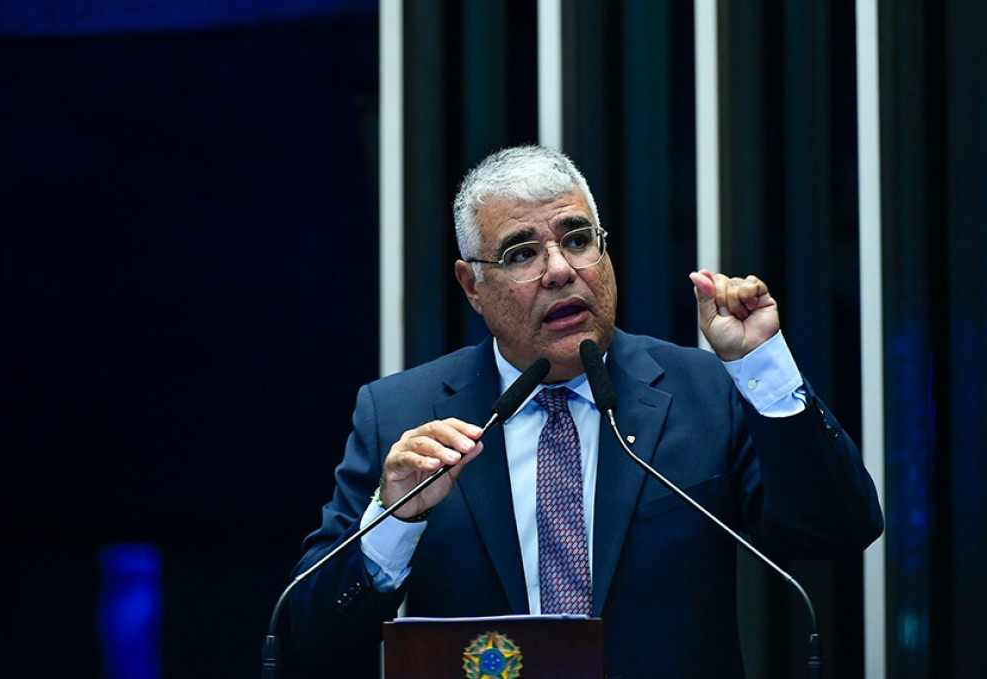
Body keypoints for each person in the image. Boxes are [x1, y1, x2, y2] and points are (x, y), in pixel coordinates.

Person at [289, 145, 883, 678]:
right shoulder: (400, 414)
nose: (560, 270)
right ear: (472, 286)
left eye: (577, 240)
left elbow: (838, 529)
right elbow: (312, 636)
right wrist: (395, 519)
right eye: (522, 253)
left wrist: (763, 367)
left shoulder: (706, 392)